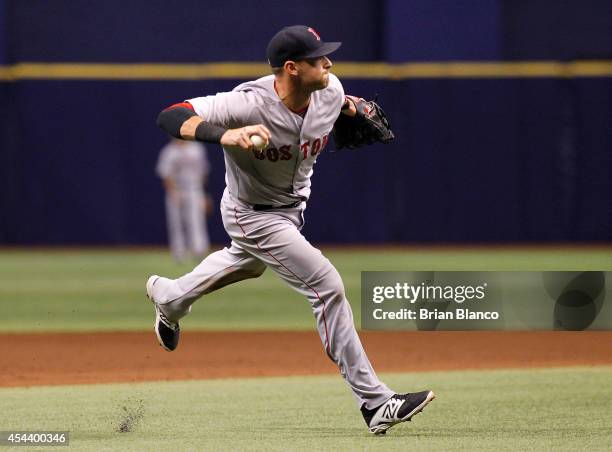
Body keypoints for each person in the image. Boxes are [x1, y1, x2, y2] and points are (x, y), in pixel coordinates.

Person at [147, 25, 434, 434]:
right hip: (251, 212)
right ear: (292, 68)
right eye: (318, 59)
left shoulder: (330, 91)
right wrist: (227, 134)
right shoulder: (245, 104)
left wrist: (352, 109)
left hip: (291, 212)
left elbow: (343, 103)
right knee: (327, 285)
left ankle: (170, 297)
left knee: (246, 265)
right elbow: (171, 116)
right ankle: (375, 403)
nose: (329, 64)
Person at [156, 138, 211, 262]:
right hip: (177, 188)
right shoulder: (169, 151)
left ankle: (199, 250)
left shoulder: (197, 149)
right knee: (176, 222)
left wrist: (204, 194)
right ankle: (179, 252)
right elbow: (166, 174)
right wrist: (173, 192)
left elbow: (203, 172)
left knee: (196, 220)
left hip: (194, 188)